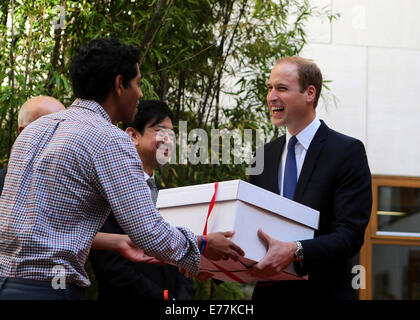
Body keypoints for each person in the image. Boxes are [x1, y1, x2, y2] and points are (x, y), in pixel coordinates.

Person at [0, 38, 244, 300]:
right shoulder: (108, 138)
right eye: (138, 83)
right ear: (119, 84)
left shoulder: (34, 131)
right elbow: (150, 232)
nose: (140, 94)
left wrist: (117, 242)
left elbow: (44, 225)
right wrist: (203, 244)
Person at [248, 56, 372, 300]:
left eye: (281, 88)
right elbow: (252, 229)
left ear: (310, 93)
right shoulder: (262, 157)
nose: (271, 96)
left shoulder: (347, 152)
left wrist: (297, 250)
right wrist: (215, 265)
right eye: (270, 88)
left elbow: (350, 234)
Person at [90, 100, 194, 300]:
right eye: (160, 131)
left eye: (172, 134)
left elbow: (182, 254)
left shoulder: (172, 197)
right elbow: (110, 266)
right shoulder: (111, 190)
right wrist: (163, 298)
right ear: (133, 135)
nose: (169, 140)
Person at [0, 96, 66, 194]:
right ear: (24, 132)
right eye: (54, 128)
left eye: (65, 127)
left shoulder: (67, 173)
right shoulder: (5, 183)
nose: (63, 134)